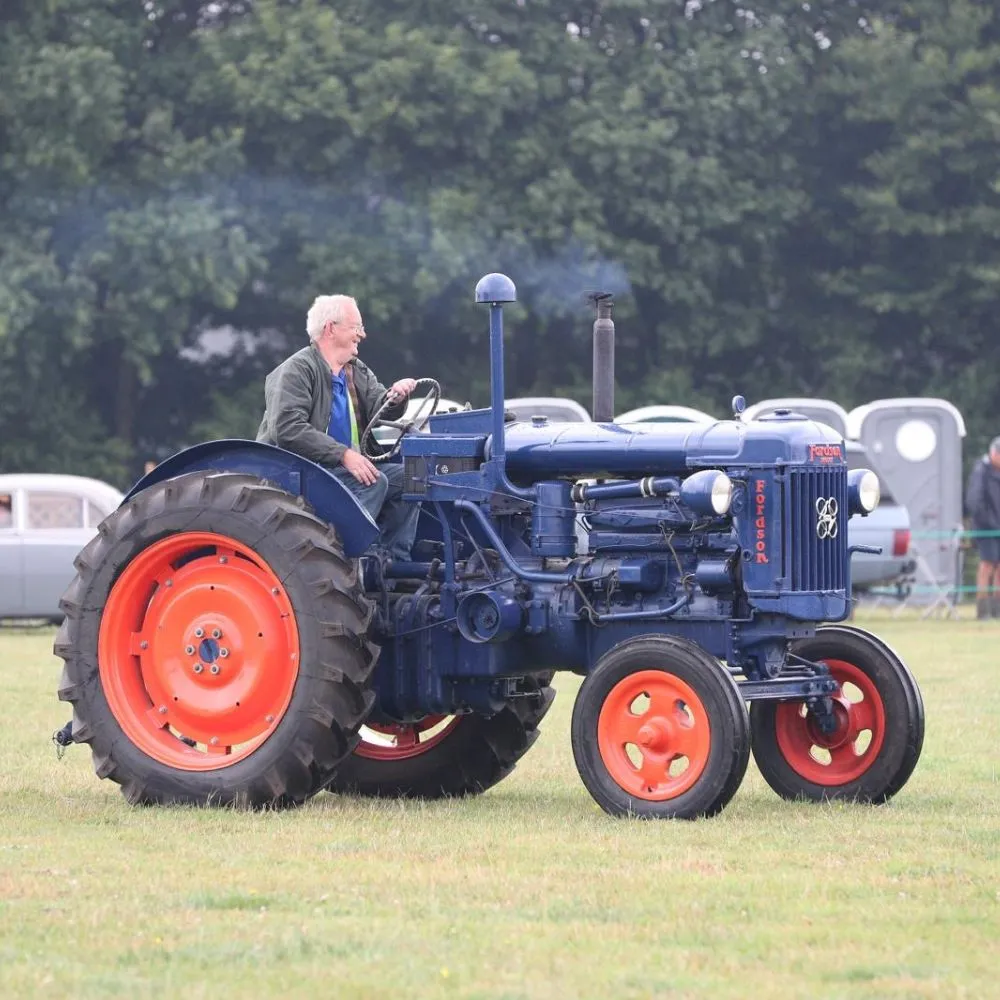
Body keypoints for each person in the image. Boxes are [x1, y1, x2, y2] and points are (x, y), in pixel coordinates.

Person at [257, 294, 420, 561]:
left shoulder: (355, 371)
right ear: (331, 328)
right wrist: (344, 454)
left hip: (345, 469)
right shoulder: (296, 370)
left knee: (414, 478)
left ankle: (393, 562)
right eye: (356, 327)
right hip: (304, 472)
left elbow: (381, 406)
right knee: (373, 481)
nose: (363, 335)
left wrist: (398, 396)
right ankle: (347, 560)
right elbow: (287, 428)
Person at [965, 435, 1000, 619]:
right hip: (986, 528)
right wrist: (989, 522)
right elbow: (974, 501)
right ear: (993, 453)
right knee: (987, 566)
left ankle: (997, 610)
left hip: (998, 527)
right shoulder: (982, 470)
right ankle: (983, 610)